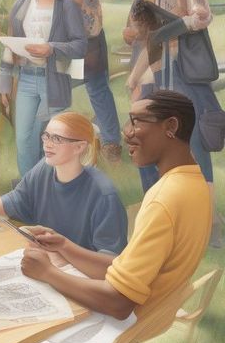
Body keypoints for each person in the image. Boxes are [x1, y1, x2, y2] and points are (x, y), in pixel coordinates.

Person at [20, 91, 211, 325]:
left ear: (170, 126)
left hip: (126, 323)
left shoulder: (164, 198)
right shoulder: (194, 182)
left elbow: (119, 303)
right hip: (156, 314)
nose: (126, 131)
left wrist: (47, 273)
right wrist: (65, 245)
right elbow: (124, 269)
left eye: (136, 121)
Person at [134, 0, 222, 246]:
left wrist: (167, 27)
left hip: (184, 72)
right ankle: (167, 212)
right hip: (162, 69)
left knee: (194, 144)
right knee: (154, 139)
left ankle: (206, 224)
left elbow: (201, 15)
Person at [0, 112, 127, 254]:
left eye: (57, 139)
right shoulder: (44, 168)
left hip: (82, 276)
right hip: (48, 264)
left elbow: (109, 262)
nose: (47, 145)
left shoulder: (104, 195)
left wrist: (62, 253)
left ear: (79, 147)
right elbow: (15, 202)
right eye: (46, 136)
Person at [0, 0, 87, 177]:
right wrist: (4, 84)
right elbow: (10, 46)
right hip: (26, 81)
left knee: (47, 141)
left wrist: (51, 48)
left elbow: (80, 45)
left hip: (54, 82)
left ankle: (44, 191)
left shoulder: (66, 6)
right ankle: (30, 190)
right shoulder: (20, 4)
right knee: (23, 140)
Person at [48, 0, 122, 162]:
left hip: (87, 40)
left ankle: (112, 142)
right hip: (60, 39)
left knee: (97, 87)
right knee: (56, 89)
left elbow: (73, 3)